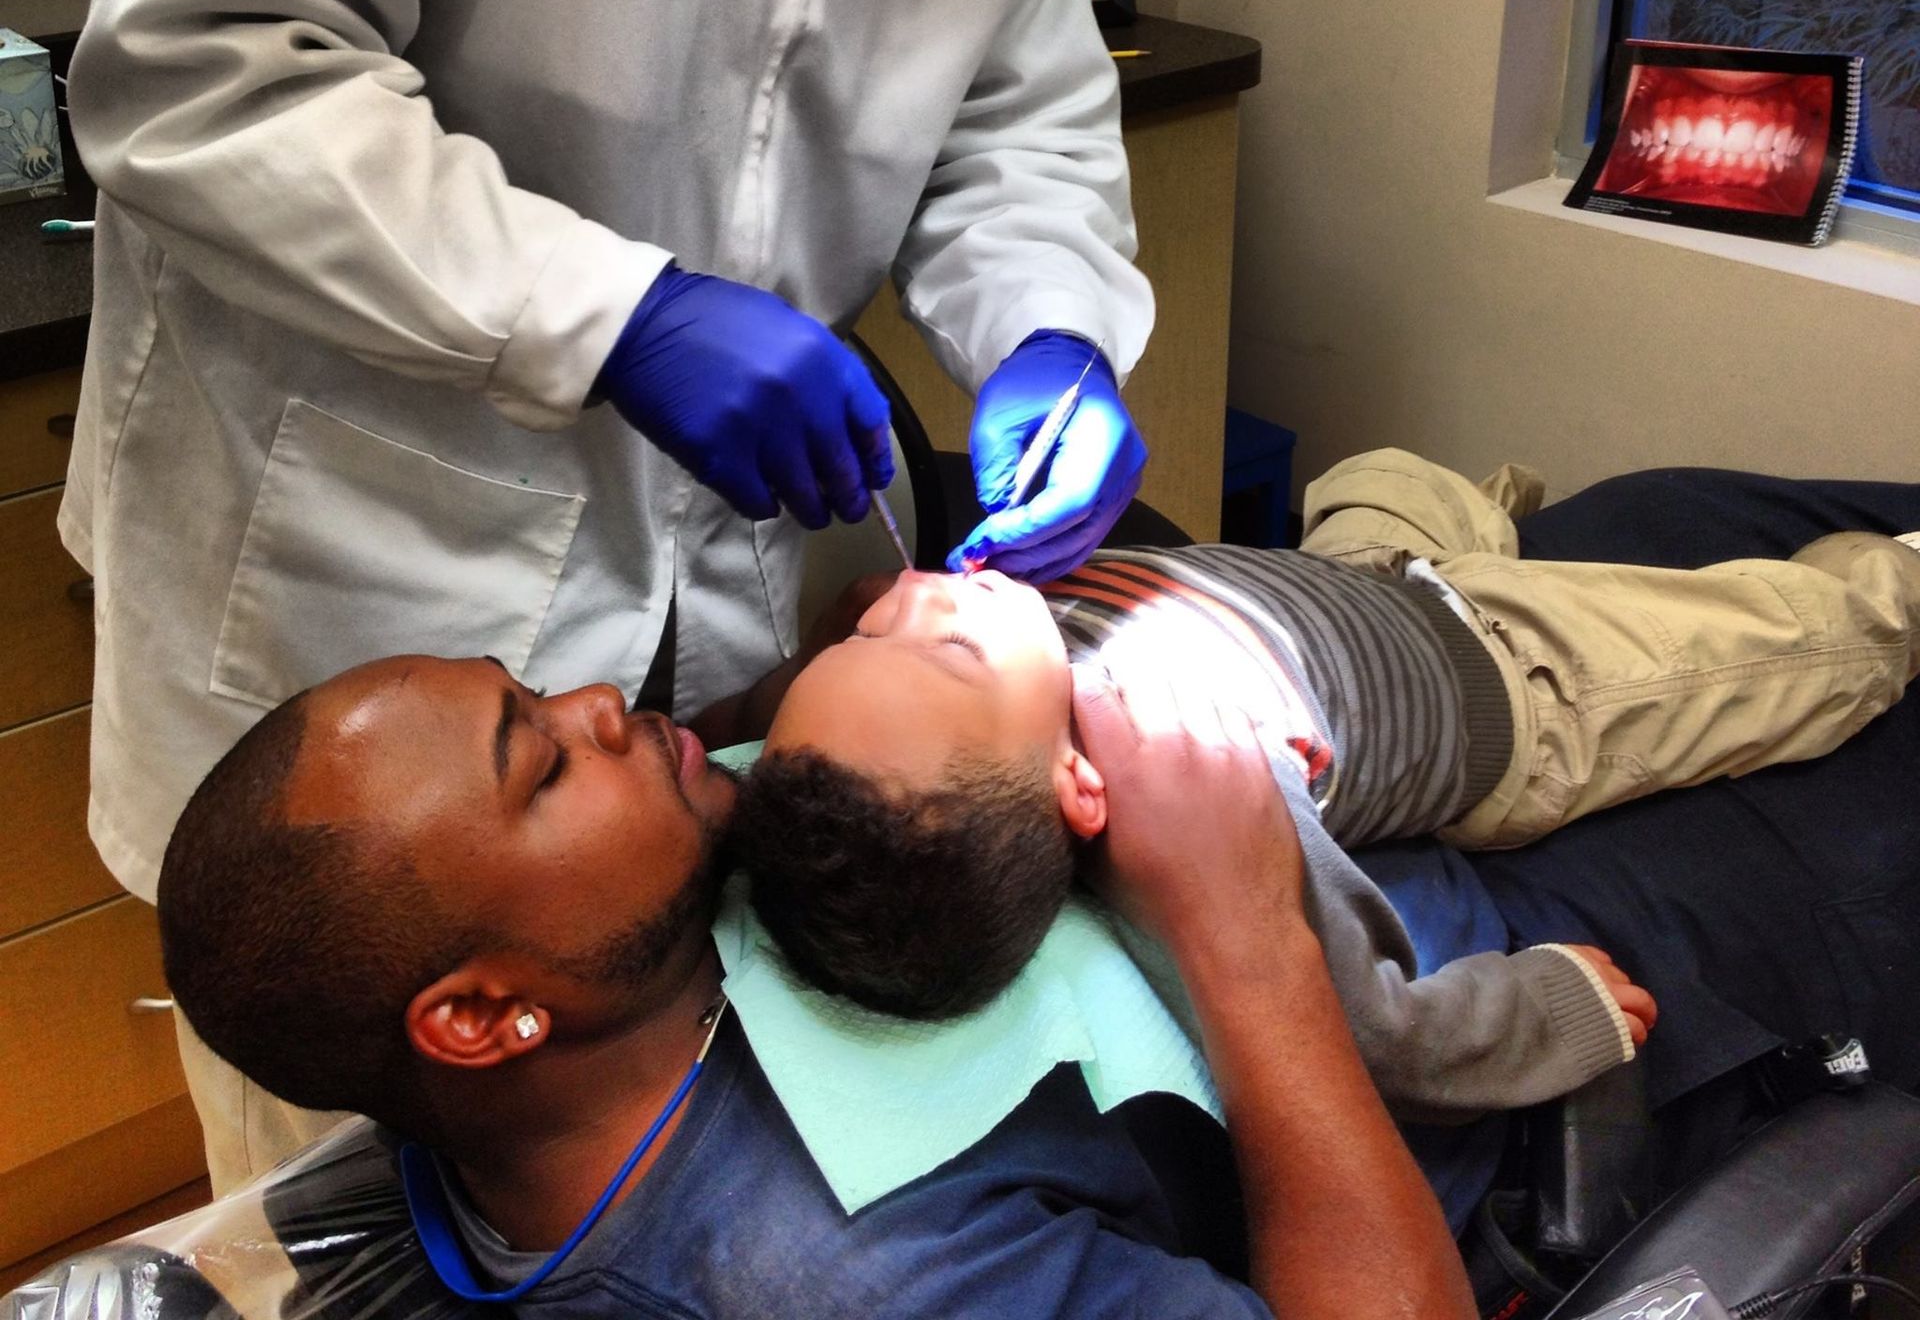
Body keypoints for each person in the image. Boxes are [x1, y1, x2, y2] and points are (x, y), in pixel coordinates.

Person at [60, 0, 1290, 1183]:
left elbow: (1014, 108)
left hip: (716, 669)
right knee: (348, 1220)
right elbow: (204, 65)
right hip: (372, 627)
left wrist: (1049, 330)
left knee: (679, 1205)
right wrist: (614, 315)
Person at [154, 654, 1478, 1319]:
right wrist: (1244, 933)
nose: (601, 701)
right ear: (486, 1017)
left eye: (534, 690)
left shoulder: (618, 976)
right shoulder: (858, 1281)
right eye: (543, 764)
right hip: (1468, 1041)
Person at [731, 447, 1920, 1111]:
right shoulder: (1188, 779)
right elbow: (1373, 1036)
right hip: (1513, 683)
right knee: (1810, 645)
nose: (908, 593)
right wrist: (1554, 1007)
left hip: (1358, 587)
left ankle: (1467, 529)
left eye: (863, 634)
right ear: (1074, 783)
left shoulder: (972, 695)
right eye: (940, 643)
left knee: (1379, 468)